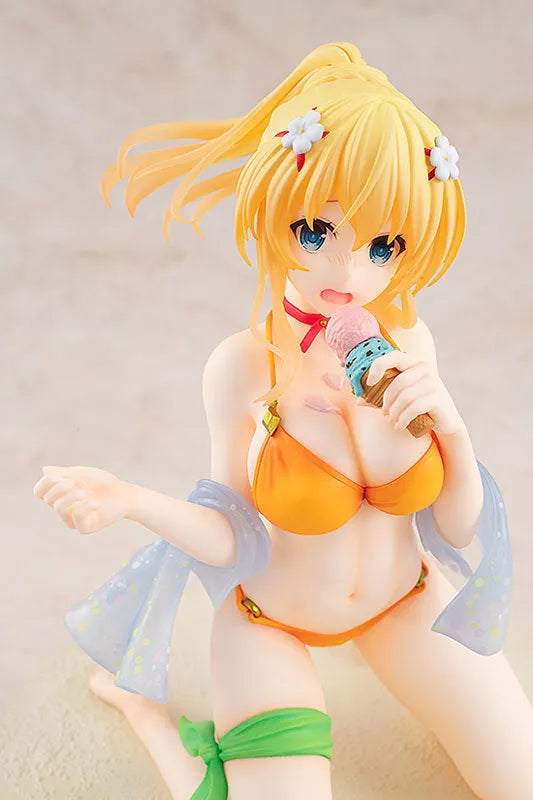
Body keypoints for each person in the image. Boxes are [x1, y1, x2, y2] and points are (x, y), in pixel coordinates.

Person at [33, 42, 533, 800]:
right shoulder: (244, 366)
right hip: (268, 620)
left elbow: (457, 528)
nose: (348, 272)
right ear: (275, 214)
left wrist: (453, 434)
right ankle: (151, 719)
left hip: (405, 602)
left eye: (383, 245)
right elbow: (230, 537)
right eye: (316, 233)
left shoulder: (409, 342)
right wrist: (131, 500)